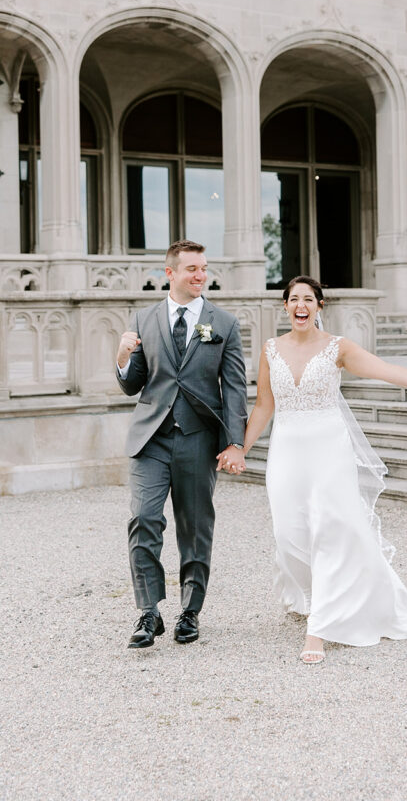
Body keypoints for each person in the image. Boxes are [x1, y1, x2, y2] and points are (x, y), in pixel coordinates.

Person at [217, 275, 407, 665]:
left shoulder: (337, 348)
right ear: (285, 307)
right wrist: (239, 448)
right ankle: (328, 595)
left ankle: (320, 628)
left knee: (329, 530)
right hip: (287, 449)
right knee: (288, 532)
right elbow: (263, 406)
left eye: (308, 299)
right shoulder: (270, 349)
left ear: (319, 306)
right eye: (293, 299)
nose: (301, 305)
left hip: (329, 447)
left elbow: (384, 370)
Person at [116, 240, 248, 649]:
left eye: (203, 268)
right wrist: (122, 357)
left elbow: (237, 388)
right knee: (144, 519)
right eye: (191, 268)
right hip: (150, 438)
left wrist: (236, 443)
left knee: (195, 527)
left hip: (197, 439)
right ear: (169, 273)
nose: (200, 275)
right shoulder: (144, 317)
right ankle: (149, 611)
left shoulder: (222, 323)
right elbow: (133, 384)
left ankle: (190, 611)